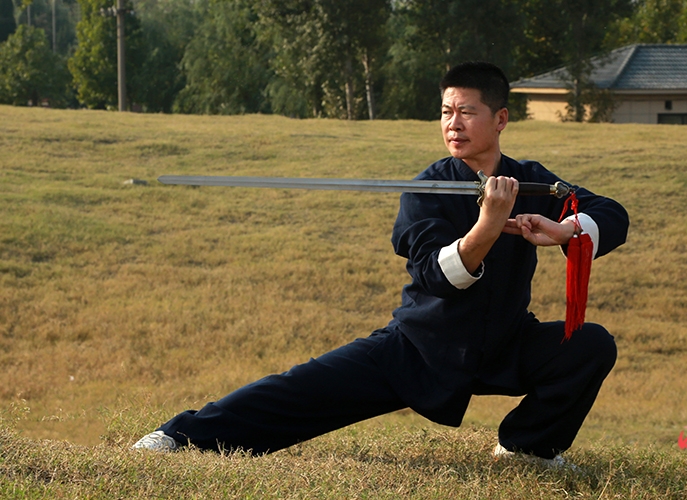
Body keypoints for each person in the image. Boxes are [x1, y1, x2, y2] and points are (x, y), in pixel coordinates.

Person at [133, 61, 629, 465]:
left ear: (500, 120)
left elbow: (611, 213)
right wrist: (488, 225)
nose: (452, 124)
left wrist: (565, 230)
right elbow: (436, 276)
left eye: (467, 112)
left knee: (589, 344)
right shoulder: (426, 188)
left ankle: (526, 449)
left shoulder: (531, 179)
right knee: (300, 391)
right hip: (419, 347)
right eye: (445, 112)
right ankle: (181, 436)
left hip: (505, 342)